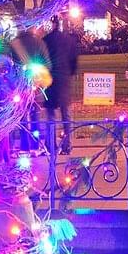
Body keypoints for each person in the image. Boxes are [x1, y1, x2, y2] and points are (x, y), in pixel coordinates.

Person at [9, 26, 51, 150]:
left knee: (22, 116)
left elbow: (10, 66)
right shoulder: (39, 42)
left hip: (20, 86)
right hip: (36, 85)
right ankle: (35, 144)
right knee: (35, 116)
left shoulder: (14, 43)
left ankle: (24, 145)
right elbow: (48, 64)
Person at [43, 16, 79, 154]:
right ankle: (67, 144)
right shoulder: (69, 40)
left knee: (51, 116)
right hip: (64, 81)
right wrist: (70, 73)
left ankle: (51, 145)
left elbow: (43, 59)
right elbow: (74, 62)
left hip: (51, 80)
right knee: (66, 116)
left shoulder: (46, 40)